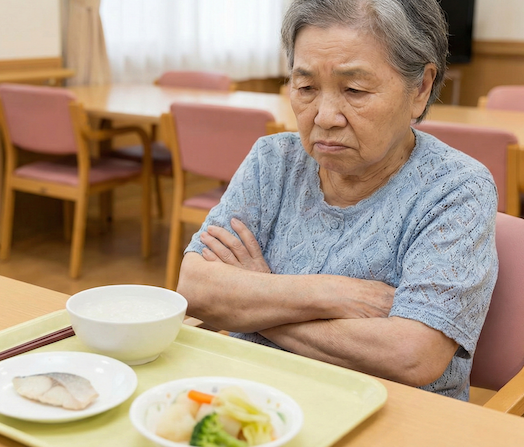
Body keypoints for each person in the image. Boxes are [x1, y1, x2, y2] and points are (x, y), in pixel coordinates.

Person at [176, 0, 498, 401]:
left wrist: (256, 299)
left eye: (355, 90)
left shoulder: (455, 188)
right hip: (257, 397)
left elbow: (413, 356)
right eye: (306, 87)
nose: (325, 116)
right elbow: (194, 287)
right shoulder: (272, 161)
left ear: (420, 88)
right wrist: (333, 294)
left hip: (394, 415)